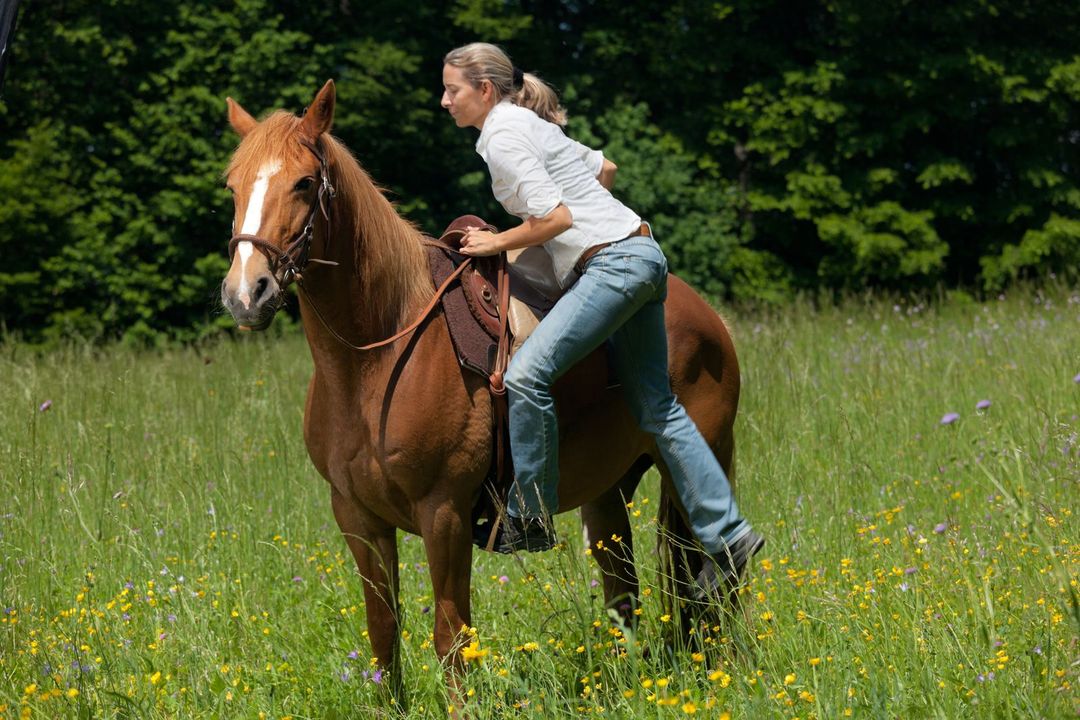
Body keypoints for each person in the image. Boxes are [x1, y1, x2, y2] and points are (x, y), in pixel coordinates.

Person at [441, 42, 763, 594]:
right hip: (643, 252)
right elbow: (604, 169)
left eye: (452, 89)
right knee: (657, 408)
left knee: (526, 374)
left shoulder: (499, 135)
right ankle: (731, 534)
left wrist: (499, 239)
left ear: (485, 90)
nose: (444, 100)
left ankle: (531, 514)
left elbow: (557, 216)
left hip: (612, 267)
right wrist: (586, 231)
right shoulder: (528, 122)